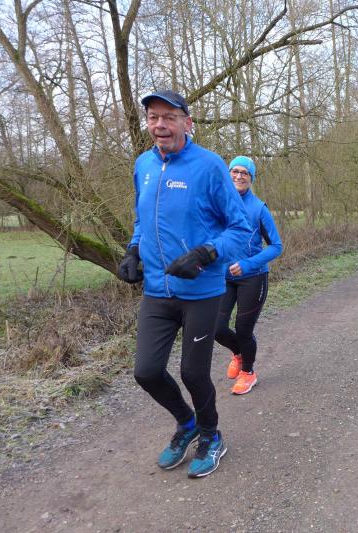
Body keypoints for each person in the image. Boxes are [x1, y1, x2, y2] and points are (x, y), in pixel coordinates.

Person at [117, 89, 251, 478]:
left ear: (187, 123)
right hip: (157, 291)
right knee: (146, 372)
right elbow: (142, 219)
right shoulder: (143, 164)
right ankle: (187, 422)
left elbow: (240, 228)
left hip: (202, 292)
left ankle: (211, 434)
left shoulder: (209, 166)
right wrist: (133, 250)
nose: (160, 124)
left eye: (169, 117)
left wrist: (206, 254)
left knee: (194, 373)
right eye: (153, 117)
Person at [214, 156, 283, 395]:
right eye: (235, 171)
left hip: (253, 277)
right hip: (224, 278)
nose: (239, 176)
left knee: (243, 329)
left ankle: (248, 373)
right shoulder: (219, 204)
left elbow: (276, 246)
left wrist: (247, 264)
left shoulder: (259, 209)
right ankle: (239, 353)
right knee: (216, 328)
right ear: (228, 174)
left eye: (245, 173)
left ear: (251, 178)